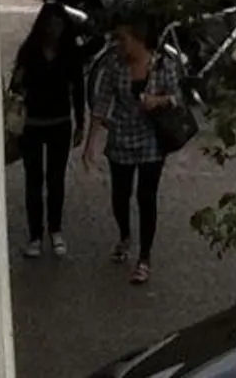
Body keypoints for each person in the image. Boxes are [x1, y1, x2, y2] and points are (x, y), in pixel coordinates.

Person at [84, 16, 186, 285]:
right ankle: (125, 236)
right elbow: (102, 101)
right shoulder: (114, 65)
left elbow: (178, 97)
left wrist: (158, 100)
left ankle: (144, 256)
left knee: (146, 196)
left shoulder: (163, 64)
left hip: (152, 139)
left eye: (123, 38)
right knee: (120, 193)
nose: (118, 44)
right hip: (121, 137)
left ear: (138, 39)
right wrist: (90, 144)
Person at [10, 4, 87, 259]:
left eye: (59, 25)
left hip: (59, 122)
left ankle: (55, 229)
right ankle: (35, 234)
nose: (54, 30)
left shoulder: (70, 54)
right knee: (34, 180)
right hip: (33, 124)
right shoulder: (29, 52)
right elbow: (16, 87)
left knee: (55, 180)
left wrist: (80, 120)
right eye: (51, 24)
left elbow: (78, 88)